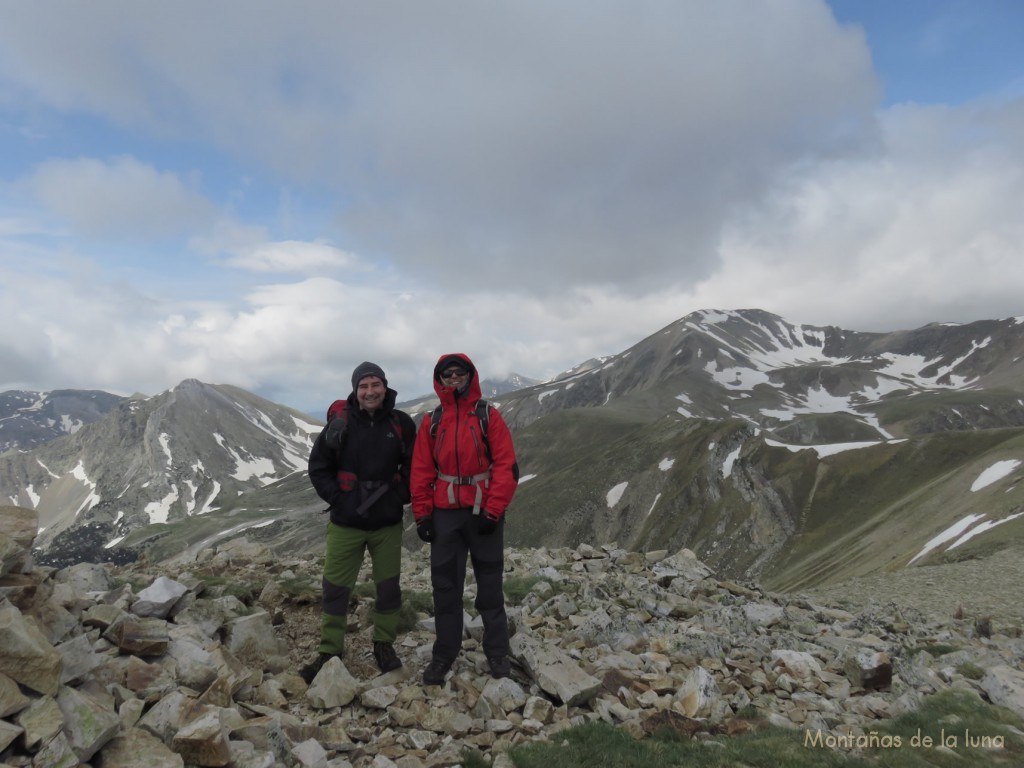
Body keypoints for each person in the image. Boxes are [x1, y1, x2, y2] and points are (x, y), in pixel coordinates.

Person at [410, 353, 519, 685]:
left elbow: (507, 467)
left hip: (483, 514)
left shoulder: (487, 416)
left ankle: (497, 652)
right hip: (445, 515)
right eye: (447, 374)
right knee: (445, 588)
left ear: (470, 376)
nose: (453, 378)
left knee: (489, 587)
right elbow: (421, 472)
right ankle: (444, 655)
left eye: (459, 373)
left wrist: (493, 510)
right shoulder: (432, 421)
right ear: (439, 379)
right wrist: (423, 515)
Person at [303, 361, 416, 681]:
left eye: (375, 385)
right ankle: (329, 651)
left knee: (389, 588)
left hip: (387, 524)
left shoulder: (401, 423)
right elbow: (318, 467)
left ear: (385, 387)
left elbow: (413, 466)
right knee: (335, 588)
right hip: (345, 523)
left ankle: (384, 644)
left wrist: (399, 497)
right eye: (363, 386)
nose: (370, 391)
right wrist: (339, 499)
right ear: (355, 390)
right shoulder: (339, 424)